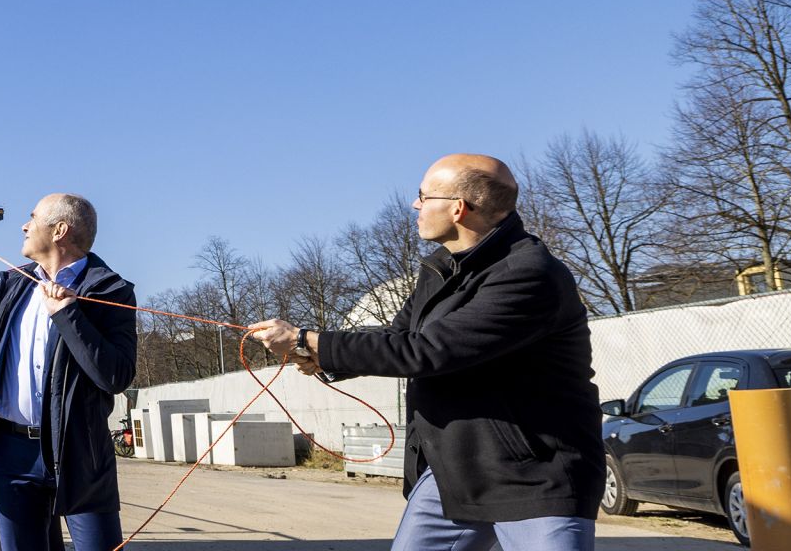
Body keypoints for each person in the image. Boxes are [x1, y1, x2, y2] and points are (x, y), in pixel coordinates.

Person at [247, 154, 602, 551]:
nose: (415, 204)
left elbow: (430, 350)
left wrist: (308, 340)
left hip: (535, 475)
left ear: (457, 208)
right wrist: (318, 355)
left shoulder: (529, 273)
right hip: (455, 469)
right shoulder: (442, 270)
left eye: (424, 195)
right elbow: (398, 336)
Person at [0, 193, 136, 551]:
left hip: (79, 451)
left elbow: (115, 376)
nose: (24, 226)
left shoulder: (109, 290)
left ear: (59, 230)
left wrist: (67, 314)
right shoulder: (14, 284)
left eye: (32, 218)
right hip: (9, 454)